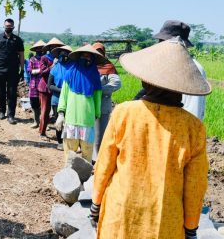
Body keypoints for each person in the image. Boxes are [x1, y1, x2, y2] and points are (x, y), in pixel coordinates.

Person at [90, 37, 210, 239]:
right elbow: (195, 186)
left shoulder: (124, 112)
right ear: (182, 86)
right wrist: (191, 228)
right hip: (165, 222)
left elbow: (105, 164)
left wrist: (96, 203)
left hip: (121, 215)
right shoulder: (193, 127)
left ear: (145, 80)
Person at [133, 20, 207, 121]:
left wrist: (189, 129)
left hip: (179, 125)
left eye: (163, 41)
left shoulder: (194, 68)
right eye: (160, 41)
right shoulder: (160, 64)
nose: (160, 44)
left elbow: (194, 107)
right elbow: (148, 90)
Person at [55, 45, 106, 165]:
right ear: (79, 57)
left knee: (86, 155)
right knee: (69, 154)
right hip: (71, 121)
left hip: (87, 121)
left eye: (89, 56)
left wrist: (96, 115)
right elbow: (64, 95)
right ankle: (68, 179)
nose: (86, 58)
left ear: (93, 59)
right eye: (83, 55)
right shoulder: (70, 73)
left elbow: (97, 99)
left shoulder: (95, 77)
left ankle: (85, 179)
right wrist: (61, 114)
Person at [91, 42, 121, 163]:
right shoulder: (88, 66)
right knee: (89, 132)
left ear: (103, 54)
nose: (97, 55)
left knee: (99, 134)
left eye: (100, 53)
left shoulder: (108, 67)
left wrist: (99, 90)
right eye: (95, 52)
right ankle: (90, 156)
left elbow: (116, 84)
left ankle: (97, 159)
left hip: (102, 105)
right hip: (88, 105)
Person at [0, 18, 25, 124]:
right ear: (4, 26)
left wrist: (22, 69)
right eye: (7, 27)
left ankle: (11, 115)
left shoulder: (18, 40)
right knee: (0, 92)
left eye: (10, 27)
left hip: (13, 71)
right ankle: (1, 111)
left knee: (12, 93)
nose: (8, 28)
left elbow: (21, 54)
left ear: (13, 27)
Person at [47, 45, 73, 150]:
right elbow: (50, 85)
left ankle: (69, 142)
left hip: (70, 100)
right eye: (62, 53)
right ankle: (60, 141)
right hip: (57, 99)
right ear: (59, 55)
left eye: (66, 53)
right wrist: (62, 90)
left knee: (70, 121)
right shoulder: (55, 68)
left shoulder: (73, 68)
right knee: (59, 121)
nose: (64, 56)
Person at [38, 37, 64, 139]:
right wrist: (52, 65)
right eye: (53, 47)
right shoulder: (45, 58)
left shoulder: (61, 59)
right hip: (45, 88)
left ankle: (59, 134)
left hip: (55, 88)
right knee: (45, 111)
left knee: (57, 111)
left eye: (57, 47)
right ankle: (42, 132)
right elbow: (42, 72)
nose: (55, 49)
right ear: (50, 48)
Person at [27, 40, 46, 129]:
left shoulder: (46, 59)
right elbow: (30, 70)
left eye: (42, 48)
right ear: (36, 50)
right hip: (34, 85)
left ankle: (43, 122)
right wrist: (40, 71)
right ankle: (36, 121)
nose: (40, 50)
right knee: (34, 104)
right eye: (38, 48)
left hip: (44, 84)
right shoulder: (32, 59)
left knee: (44, 104)